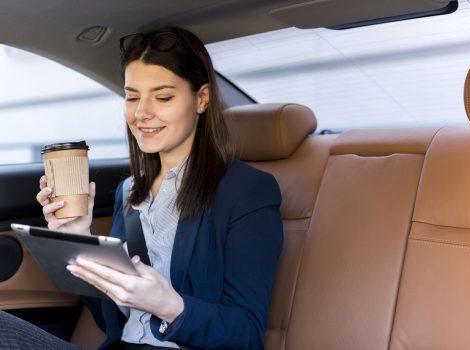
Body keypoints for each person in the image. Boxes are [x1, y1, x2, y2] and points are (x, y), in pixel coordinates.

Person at [0, 26, 283, 350]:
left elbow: (246, 333)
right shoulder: (130, 191)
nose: (141, 112)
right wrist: (79, 235)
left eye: (163, 97)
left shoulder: (248, 191)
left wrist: (170, 306)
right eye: (132, 96)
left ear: (201, 99)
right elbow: (112, 321)